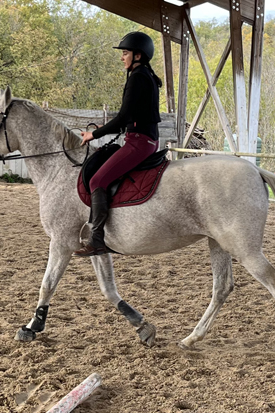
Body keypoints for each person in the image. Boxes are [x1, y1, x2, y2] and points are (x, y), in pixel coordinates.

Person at [74, 32, 162, 257]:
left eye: (125, 53)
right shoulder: (145, 75)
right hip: (143, 138)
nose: (122, 57)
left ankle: (97, 240)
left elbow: (123, 118)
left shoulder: (138, 77)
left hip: (139, 142)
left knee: (97, 180)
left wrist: (94, 134)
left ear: (138, 55)